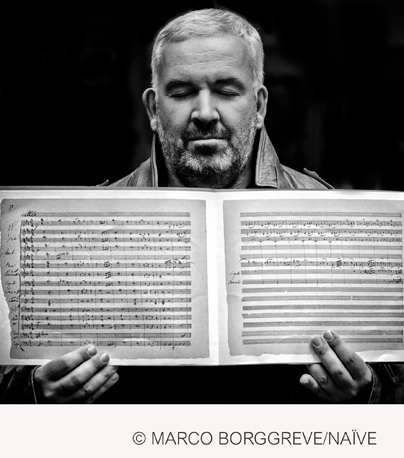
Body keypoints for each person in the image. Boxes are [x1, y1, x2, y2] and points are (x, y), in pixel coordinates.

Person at [1, 8, 403, 404]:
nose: (205, 113)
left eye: (227, 91)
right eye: (181, 92)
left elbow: (394, 383)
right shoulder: (77, 227)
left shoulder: (335, 217)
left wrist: (370, 393)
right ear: (153, 110)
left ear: (260, 106)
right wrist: (34, 393)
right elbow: (10, 386)